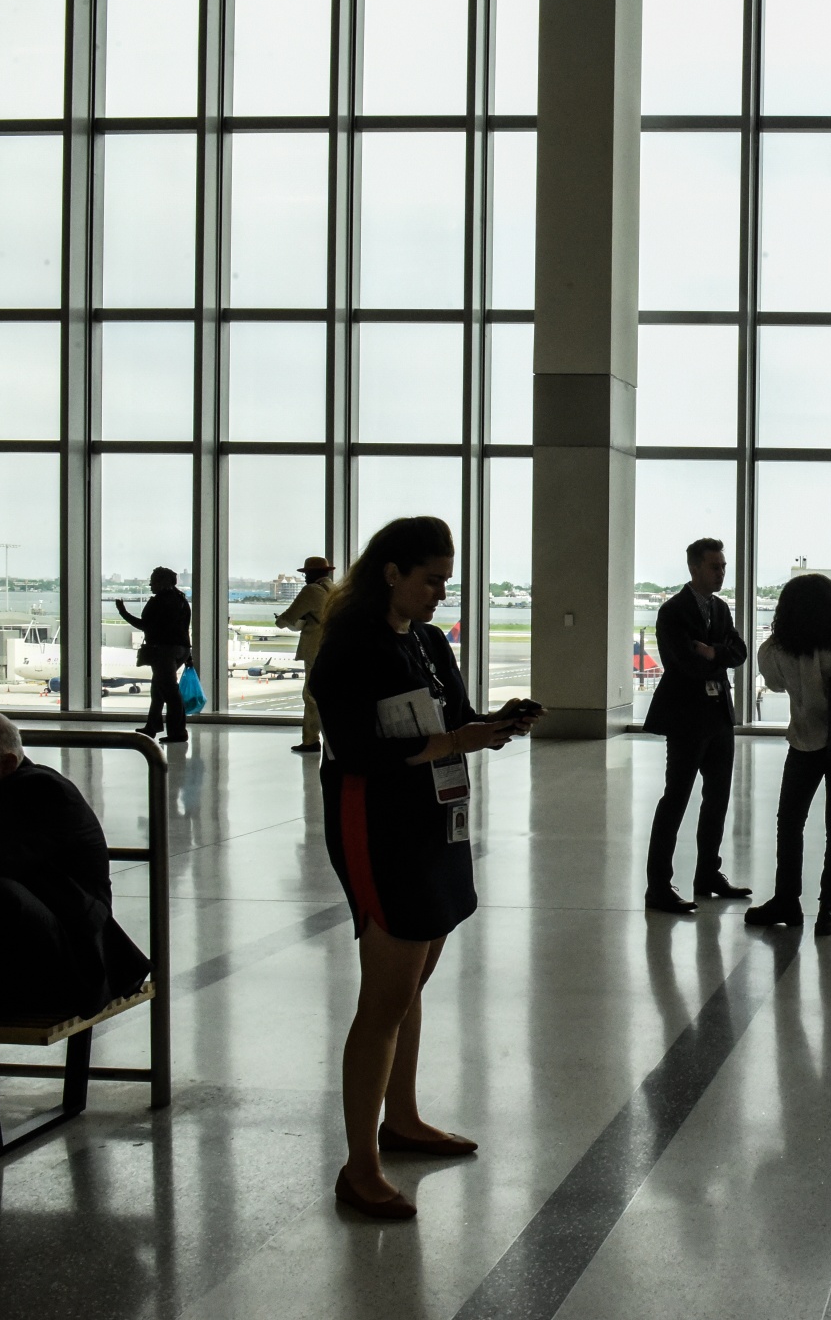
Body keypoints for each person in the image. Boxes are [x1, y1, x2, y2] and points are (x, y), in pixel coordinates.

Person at [310, 517, 541, 1219]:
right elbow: (352, 746)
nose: (443, 591)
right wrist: (452, 737)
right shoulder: (350, 644)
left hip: (435, 818)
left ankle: (402, 1118)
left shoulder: (432, 642)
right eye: (432, 578)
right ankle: (360, 1166)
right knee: (383, 998)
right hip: (377, 821)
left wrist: (494, 724)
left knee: (412, 982)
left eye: (446, 578)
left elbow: (456, 716)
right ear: (391, 572)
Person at [0, 709, 151, 1021]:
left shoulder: (37, 791)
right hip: (35, 948)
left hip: (74, 960)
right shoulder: (7, 789)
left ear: (7, 763)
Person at [746, 573, 831, 936]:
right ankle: (829, 909)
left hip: (804, 743)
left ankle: (787, 900)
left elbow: (774, 683)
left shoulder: (778, 648)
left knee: (789, 821)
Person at [643, 538, 752, 914]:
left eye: (723, 565)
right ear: (694, 568)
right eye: (715, 566)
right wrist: (716, 656)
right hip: (687, 719)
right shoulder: (672, 612)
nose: (722, 571)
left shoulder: (721, 610)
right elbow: (682, 663)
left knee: (717, 798)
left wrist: (711, 652)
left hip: (719, 717)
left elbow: (739, 652)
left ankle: (708, 874)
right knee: (676, 798)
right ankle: (657, 885)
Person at [115, 567, 192, 745]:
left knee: (169, 693)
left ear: (163, 582)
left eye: (153, 580)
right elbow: (182, 628)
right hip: (181, 649)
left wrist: (123, 612)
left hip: (163, 650)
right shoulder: (181, 600)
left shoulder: (159, 602)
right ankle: (152, 727)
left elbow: (145, 626)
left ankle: (178, 732)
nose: (150, 584)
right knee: (159, 689)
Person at [276, 556, 335, 755]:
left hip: (315, 648)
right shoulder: (335, 591)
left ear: (311, 574)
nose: (304, 578)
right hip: (333, 646)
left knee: (311, 694)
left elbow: (289, 617)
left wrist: (281, 621)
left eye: (306, 574)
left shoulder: (312, 590)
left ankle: (310, 740)